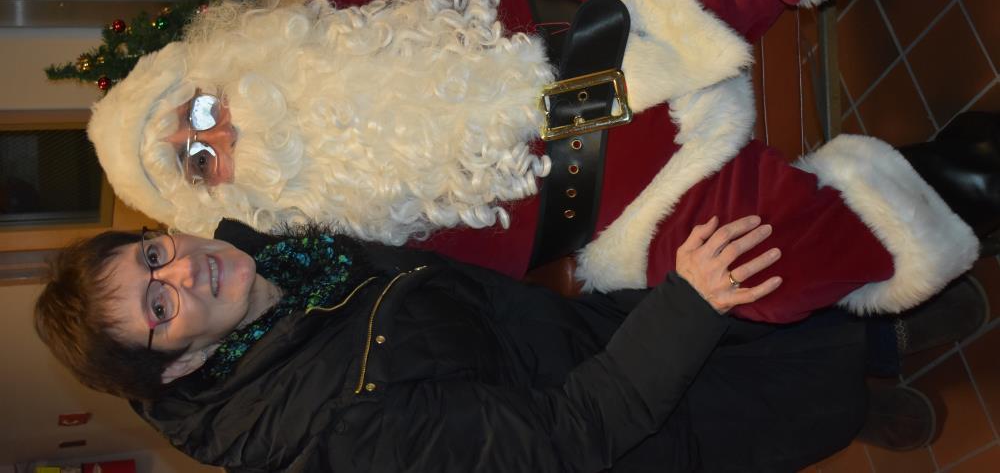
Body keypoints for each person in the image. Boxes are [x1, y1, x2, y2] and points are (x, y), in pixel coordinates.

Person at [83, 0, 998, 323]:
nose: (221, 134)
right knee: (773, 274)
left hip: (624, 17)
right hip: (638, 197)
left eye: (195, 109)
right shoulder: (327, 264)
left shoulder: (342, 16)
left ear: (218, 67)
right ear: (215, 201)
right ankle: (964, 179)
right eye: (196, 159)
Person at [35, 216, 983, 472]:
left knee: (773, 328)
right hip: (627, 423)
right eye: (157, 309)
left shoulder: (279, 255)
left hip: (574, 333)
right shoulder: (339, 432)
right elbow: (568, 438)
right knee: (768, 403)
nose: (181, 273)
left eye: (152, 254)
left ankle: (878, 339)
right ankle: (863, 404)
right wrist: (686, 303)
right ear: (184, 364)